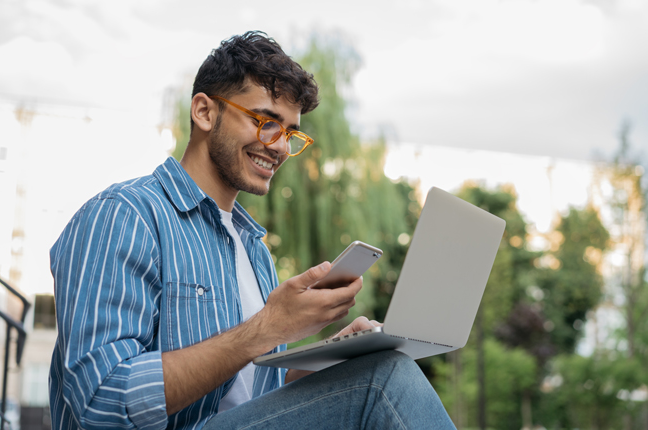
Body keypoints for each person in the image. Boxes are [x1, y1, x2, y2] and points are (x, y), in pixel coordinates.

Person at [49, 31, 456, 430]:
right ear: (204, 112)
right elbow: (99, 401)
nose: (279, 146)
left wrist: (335, 356)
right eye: (265, 121)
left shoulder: (253, 250)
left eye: (290, 133)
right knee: (384, 380)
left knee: (378, 364)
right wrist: (269, 327)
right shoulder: (125, 215)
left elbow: (254, 400)